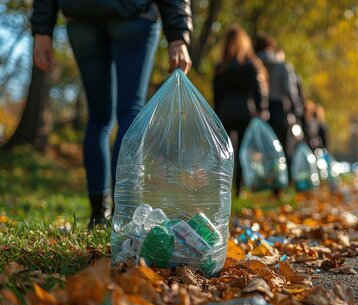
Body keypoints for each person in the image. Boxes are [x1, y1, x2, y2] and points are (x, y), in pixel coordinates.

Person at [31, 0, 193, 228]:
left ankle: (99, 213)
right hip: (134, 15)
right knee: (130, 112)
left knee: (98, 119)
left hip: (82, 16)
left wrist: (42, 30)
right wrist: (178, 35)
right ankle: (124, 212)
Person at [213, 25, 268, 197]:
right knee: (243, 152)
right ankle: (238, 189)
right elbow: (259, 89)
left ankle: (223, 189)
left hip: (226, 113)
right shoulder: (250, 65)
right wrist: (261, 109)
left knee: (224, 153)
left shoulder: (221, 67)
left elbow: (217, 93)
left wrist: (217, 112)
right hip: (246, 113)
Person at [254, 35, 303, 164]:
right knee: (280, 144)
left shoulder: (253, 63)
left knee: (260, 144)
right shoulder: (282, 65)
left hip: (257, 108)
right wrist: (297, 108)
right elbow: (289, 89)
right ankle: (279, 177)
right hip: (279, 108)